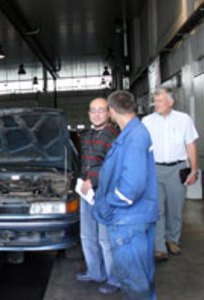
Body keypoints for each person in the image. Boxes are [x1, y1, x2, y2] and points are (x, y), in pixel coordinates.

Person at [91, 90, 158, 300]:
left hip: (127, 220)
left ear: (111, 111)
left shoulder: (134, 136)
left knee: (133, 280)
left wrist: (110, 204)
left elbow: (132, 185)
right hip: (134, 216)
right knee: (140, 277)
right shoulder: (131, 133)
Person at [142, 87, 199, 260]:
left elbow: (190, 145)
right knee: (157, 209)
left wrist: (194, 170)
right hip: (155, 169)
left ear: (170, 102)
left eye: (160, 101)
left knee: (176, 207)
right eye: (155, 101)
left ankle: (172, 240)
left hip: (177, 168)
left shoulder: (184, 120)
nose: (156, 104)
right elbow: (142, 148)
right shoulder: (147, 121)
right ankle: (159, 247)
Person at [76, 98, 120, 294]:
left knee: (106, 238)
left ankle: (114, 279)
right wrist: (78, 180)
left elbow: (113, 166)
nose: (96, 114)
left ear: (109, 113)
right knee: (87, 235)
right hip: (86, 193)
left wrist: (92, 180)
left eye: (100, 110)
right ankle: (95, 272)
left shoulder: (114, 136)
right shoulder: (86, 135)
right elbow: (84, 162)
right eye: (93, 110)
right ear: (88, 113)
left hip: (104, 192)